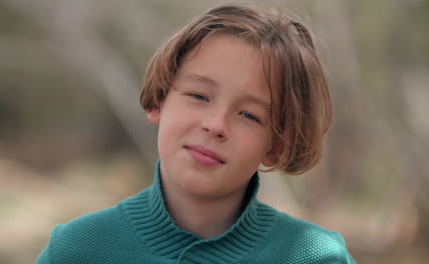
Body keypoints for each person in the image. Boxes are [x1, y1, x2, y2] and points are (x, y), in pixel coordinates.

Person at [36, 3, 356, 263]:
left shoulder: (316, 256)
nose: (215, 125)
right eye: (199, 96)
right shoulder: (78, 250)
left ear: (276, 145)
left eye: (249, 115)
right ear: (159, 99)